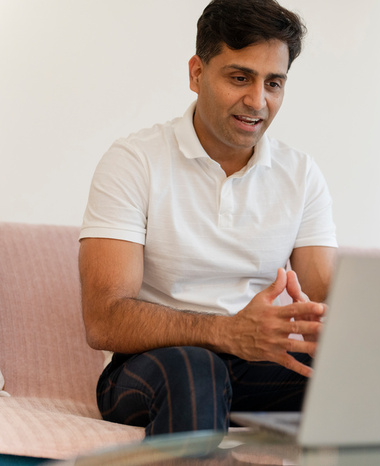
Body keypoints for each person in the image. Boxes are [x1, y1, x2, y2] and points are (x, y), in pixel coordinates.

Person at [78, 0, 337, 436]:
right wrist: (228, 332)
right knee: (195, 367)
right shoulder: (134, 161)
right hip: (155, 366)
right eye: (240, 78)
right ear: (197, 74)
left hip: (258, 361)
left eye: (273, 83)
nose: (257, 101)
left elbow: (326, 294)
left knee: (361, 379)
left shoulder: (301, 174)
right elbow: (104, 318)